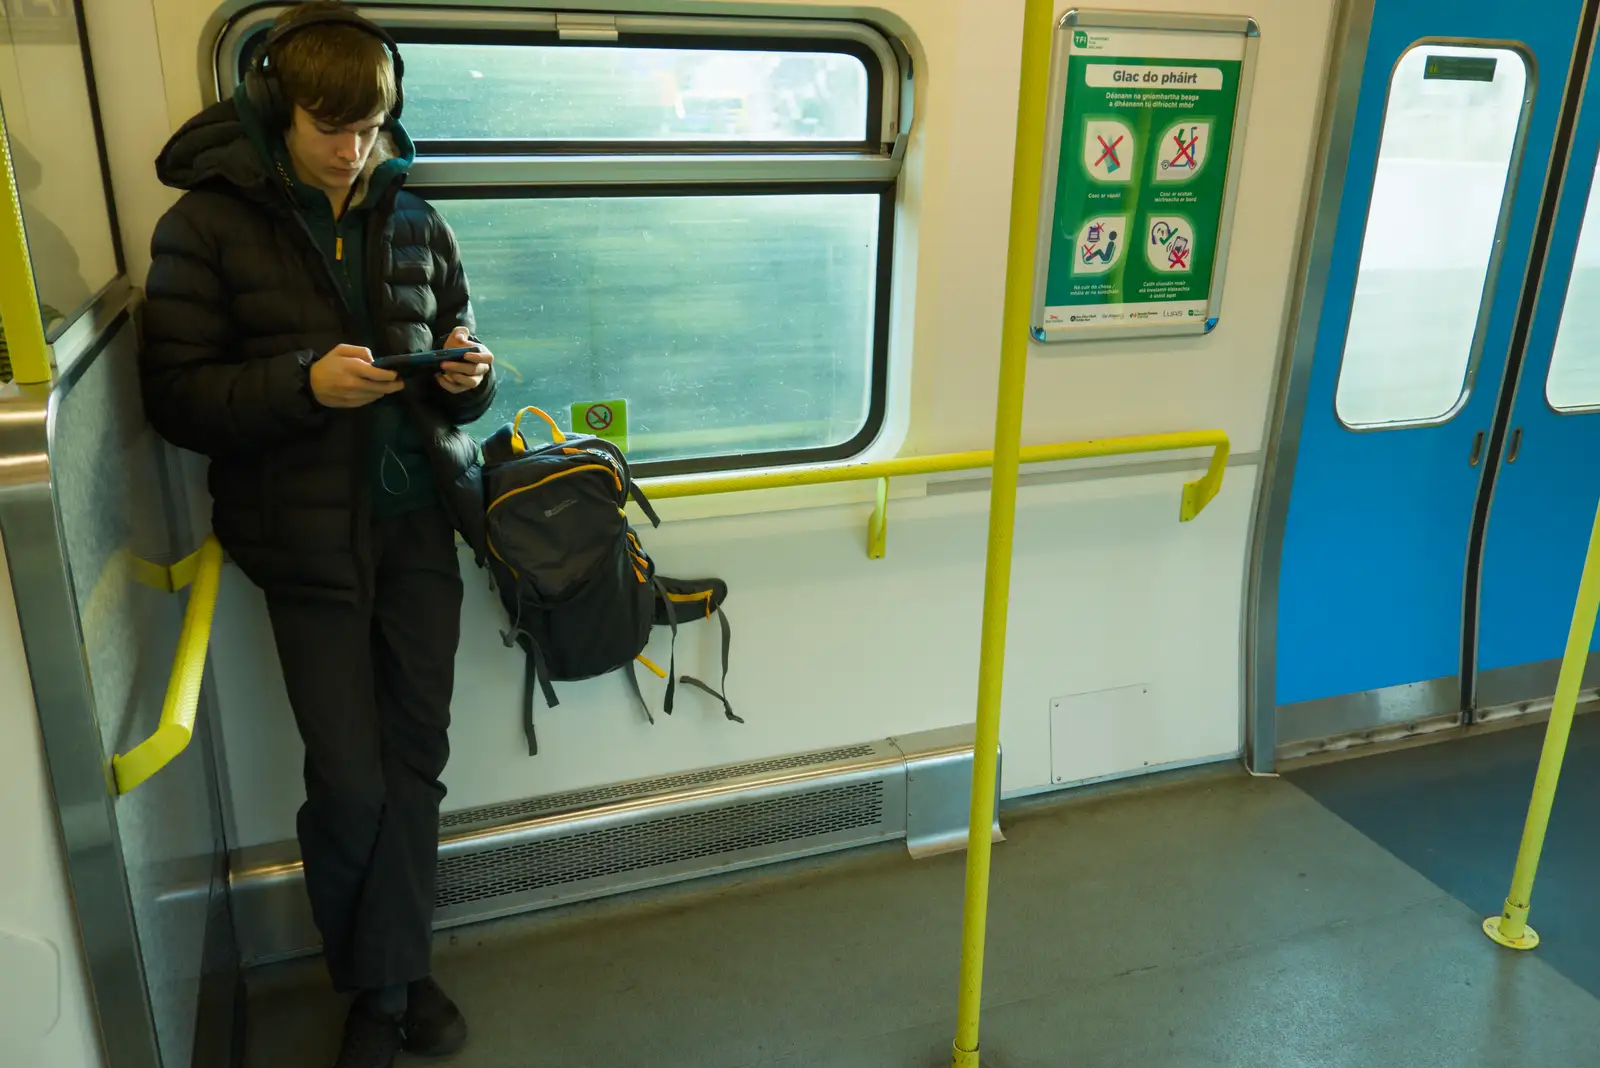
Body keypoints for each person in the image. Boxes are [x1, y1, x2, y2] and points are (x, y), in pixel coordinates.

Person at [138, 4, 495, 1065]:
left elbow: (451, 371)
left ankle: (398, 976)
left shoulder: (417, 219)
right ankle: (378, 987)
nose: (353, 149)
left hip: (417, 531)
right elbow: (177, 398)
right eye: (329, 126)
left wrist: (467, 381)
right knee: (349, 777)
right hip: (304, 546)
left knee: (416, 763)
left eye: (372, 126)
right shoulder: (203, 227)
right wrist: (304, 386)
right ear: (271, 107)